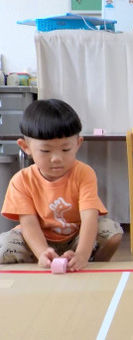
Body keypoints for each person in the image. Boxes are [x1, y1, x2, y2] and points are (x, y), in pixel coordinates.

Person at [0, 99, 123, 271]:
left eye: (65, 149)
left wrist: (82, 254)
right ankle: (39, 265)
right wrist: (42, 252)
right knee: (3, 247)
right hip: (37, 238)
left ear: (78, 144)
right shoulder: (21, 180)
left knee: (111, 232)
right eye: (46, 150)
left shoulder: (84, 173)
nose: (57, 158)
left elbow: (89, 217)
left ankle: (89, 265)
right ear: (25, 146)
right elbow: (29, 224)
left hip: (74, 238)